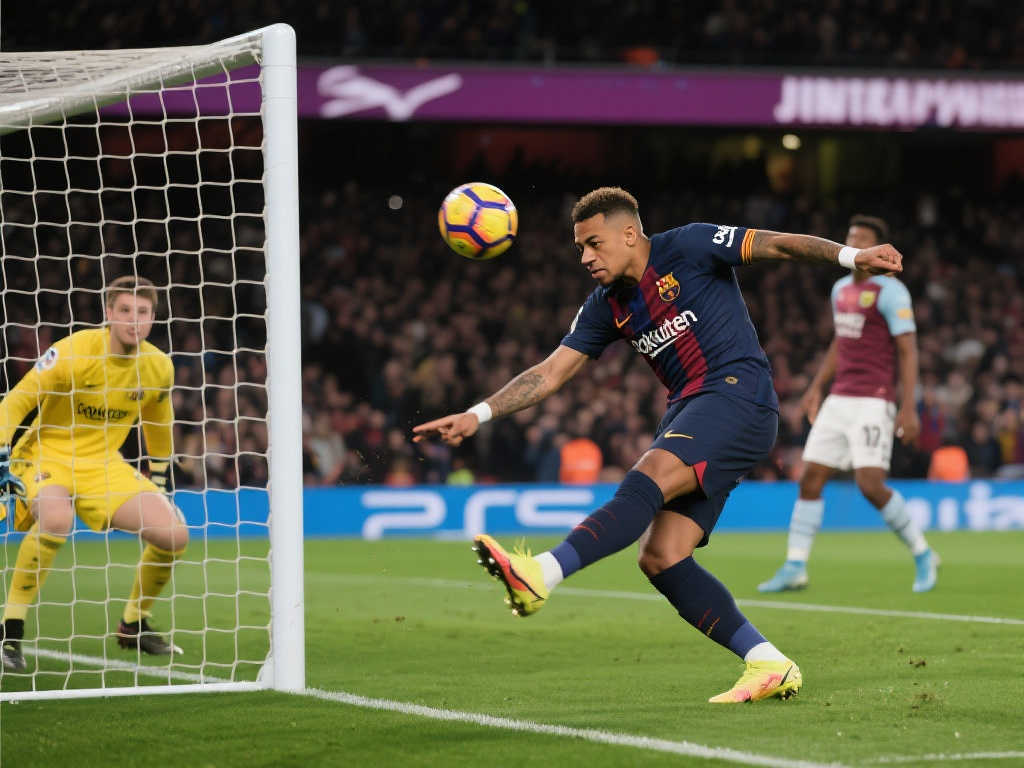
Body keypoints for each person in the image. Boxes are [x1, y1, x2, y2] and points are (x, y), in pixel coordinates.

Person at [414, 187, 905, 703]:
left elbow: (777, 244)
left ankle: (542, 573)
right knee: (662, 557)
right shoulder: (605, 305)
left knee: (646, 478)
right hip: (692, 408)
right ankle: (768, 662)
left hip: (737, 395)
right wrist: (478, 414)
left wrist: (852, 257)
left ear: (630, 233)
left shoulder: (690, 246)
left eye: (594, 244)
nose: (585, 258)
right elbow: (551, 372)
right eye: (579, 248)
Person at [0, 276, 187, 672]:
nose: (133, 320)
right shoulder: (72, 352)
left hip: (102, 464)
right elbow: (16, 401)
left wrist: (161, 475)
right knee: (56, 518)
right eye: (125, 310)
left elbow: (158, 421)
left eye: (142, 312)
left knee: (173, 535)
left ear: (153, 318)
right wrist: (2, 450)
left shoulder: (157, 367)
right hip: (47, 455)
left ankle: (133, 623)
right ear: (108, 313)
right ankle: (10, 631)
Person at [758, 215, 938, 595]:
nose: (854, 243)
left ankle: (923, 554)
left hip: (873, 400)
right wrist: (817, 387)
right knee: (810, 478)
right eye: (851, 237)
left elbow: (908, 350)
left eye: (863, 239)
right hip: (839, 397)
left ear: (878, 249)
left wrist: (908, 406)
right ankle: (795, 566)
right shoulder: (840, 288)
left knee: (870, 485)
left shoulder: (891, 291)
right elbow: (841, 341)